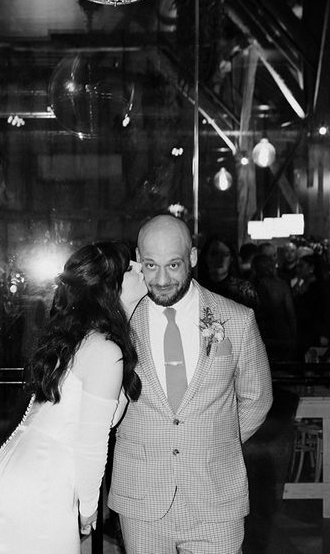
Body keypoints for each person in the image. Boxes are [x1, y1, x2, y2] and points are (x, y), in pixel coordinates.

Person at [0, 241, 145, 553]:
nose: (141, 270)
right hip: (43, 478)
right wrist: (88, 509)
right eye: (131, 267)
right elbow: (91, 444)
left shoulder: (81, 336)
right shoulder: (103, 348)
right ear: (110, 286)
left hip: (24, 467)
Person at [108, 214, 273, 554]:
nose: (163, 279)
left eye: (174, 265)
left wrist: (215, 438)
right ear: (138, 259)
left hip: (217, 497)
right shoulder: (118, 322)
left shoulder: (237, 320)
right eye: (151, 266)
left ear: (193, 258)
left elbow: (257, 397)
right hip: (142, 499)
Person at [251, 253, 297, 363]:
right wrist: (294, 336)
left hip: (260, 334)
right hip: (282, 334)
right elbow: (290, 313)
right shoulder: (282, 285)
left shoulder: (250, 286)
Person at [198, 234, 259, 310]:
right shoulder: (197, 289)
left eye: (225, 255)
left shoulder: (243, 290)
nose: (220, 259)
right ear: (205, 257)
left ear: (231, 259)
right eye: (214, 254)